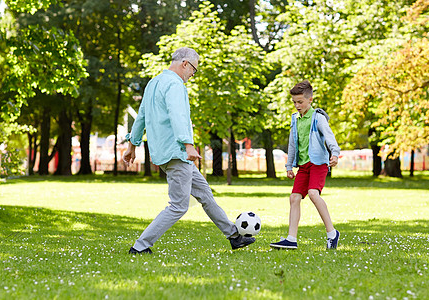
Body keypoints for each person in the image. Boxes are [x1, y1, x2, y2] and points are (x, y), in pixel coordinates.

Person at [122, 47, 255, 254]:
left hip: (166, 152)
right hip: (177, 152)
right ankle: (140, 246)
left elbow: (141, 117)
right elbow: (178, 116)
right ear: (185, 63)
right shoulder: (175, 84)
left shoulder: (154, 83)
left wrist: (132, 145)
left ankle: (233, 237)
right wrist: (188, 145)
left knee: (205, 195)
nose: (192, 75)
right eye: (194, 70)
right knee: (178, 206)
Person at [270, 80, 341, 250]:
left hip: (318, 164)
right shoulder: (296, 119)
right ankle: (291, 239)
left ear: (310, 99)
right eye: (294, 102)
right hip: (303, 166)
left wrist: (335, 154)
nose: (296, 105)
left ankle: (332, 233)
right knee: (294, 198)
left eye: (300, 102)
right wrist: (289, 166)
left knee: (313, 193)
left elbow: (330, 137)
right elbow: (293, 144)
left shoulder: (318, 118)